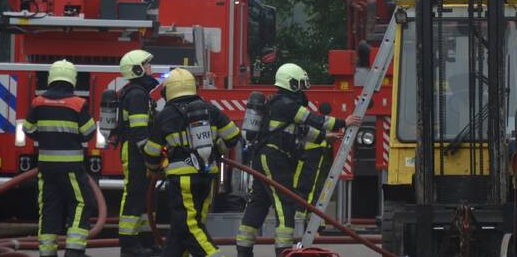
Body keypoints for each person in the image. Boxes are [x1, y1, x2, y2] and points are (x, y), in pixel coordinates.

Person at [236, 64, 362, 257]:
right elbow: (311, 119)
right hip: (274, 158)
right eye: (300, 84)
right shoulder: (285, 104)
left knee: (259, 202)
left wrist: (323, 137)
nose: (302, 89)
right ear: (291, 82)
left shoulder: (281, 105)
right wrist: (343, 122)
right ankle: (284, 251)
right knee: (284, 202)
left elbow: (299, 130)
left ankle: (243, 251)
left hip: (267, 157)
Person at [143, 68, 240, 257]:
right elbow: (233, 136)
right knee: (183, 229)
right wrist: (217, 149)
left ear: (168, 91)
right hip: (207, 176)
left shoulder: (165, 115)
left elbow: (151, 152)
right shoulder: (210, 109)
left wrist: (153, 169)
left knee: (188, 227)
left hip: (183, 181)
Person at [21, 60, 97, 257]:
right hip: (71, 167)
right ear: (72, 79)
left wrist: (45, 136)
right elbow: (89, 132)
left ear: (51, 78)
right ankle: (74, 250)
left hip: (46, 168)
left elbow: (28, 129)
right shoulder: (78, 104)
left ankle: (47, 252)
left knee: (49, 208)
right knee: (81, 203)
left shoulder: (38, 102)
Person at [116, 50, 160, 257]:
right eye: (147, 65)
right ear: (137, 69)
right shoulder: (136, 95)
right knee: (134, 194)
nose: (150, 68)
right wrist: (151, 155)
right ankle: (129, 245)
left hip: (137, 151)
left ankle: (145, 241)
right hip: (135, 151)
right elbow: (139, 132)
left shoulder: (138, 92)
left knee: (144, 196)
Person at [292, 103, 336, 235]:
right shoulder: (323, 123)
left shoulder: (313, 121)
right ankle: (311, 222)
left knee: (306, 189)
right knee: (312, 189)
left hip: (311, 156)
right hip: (316, 156)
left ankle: (305, 222)